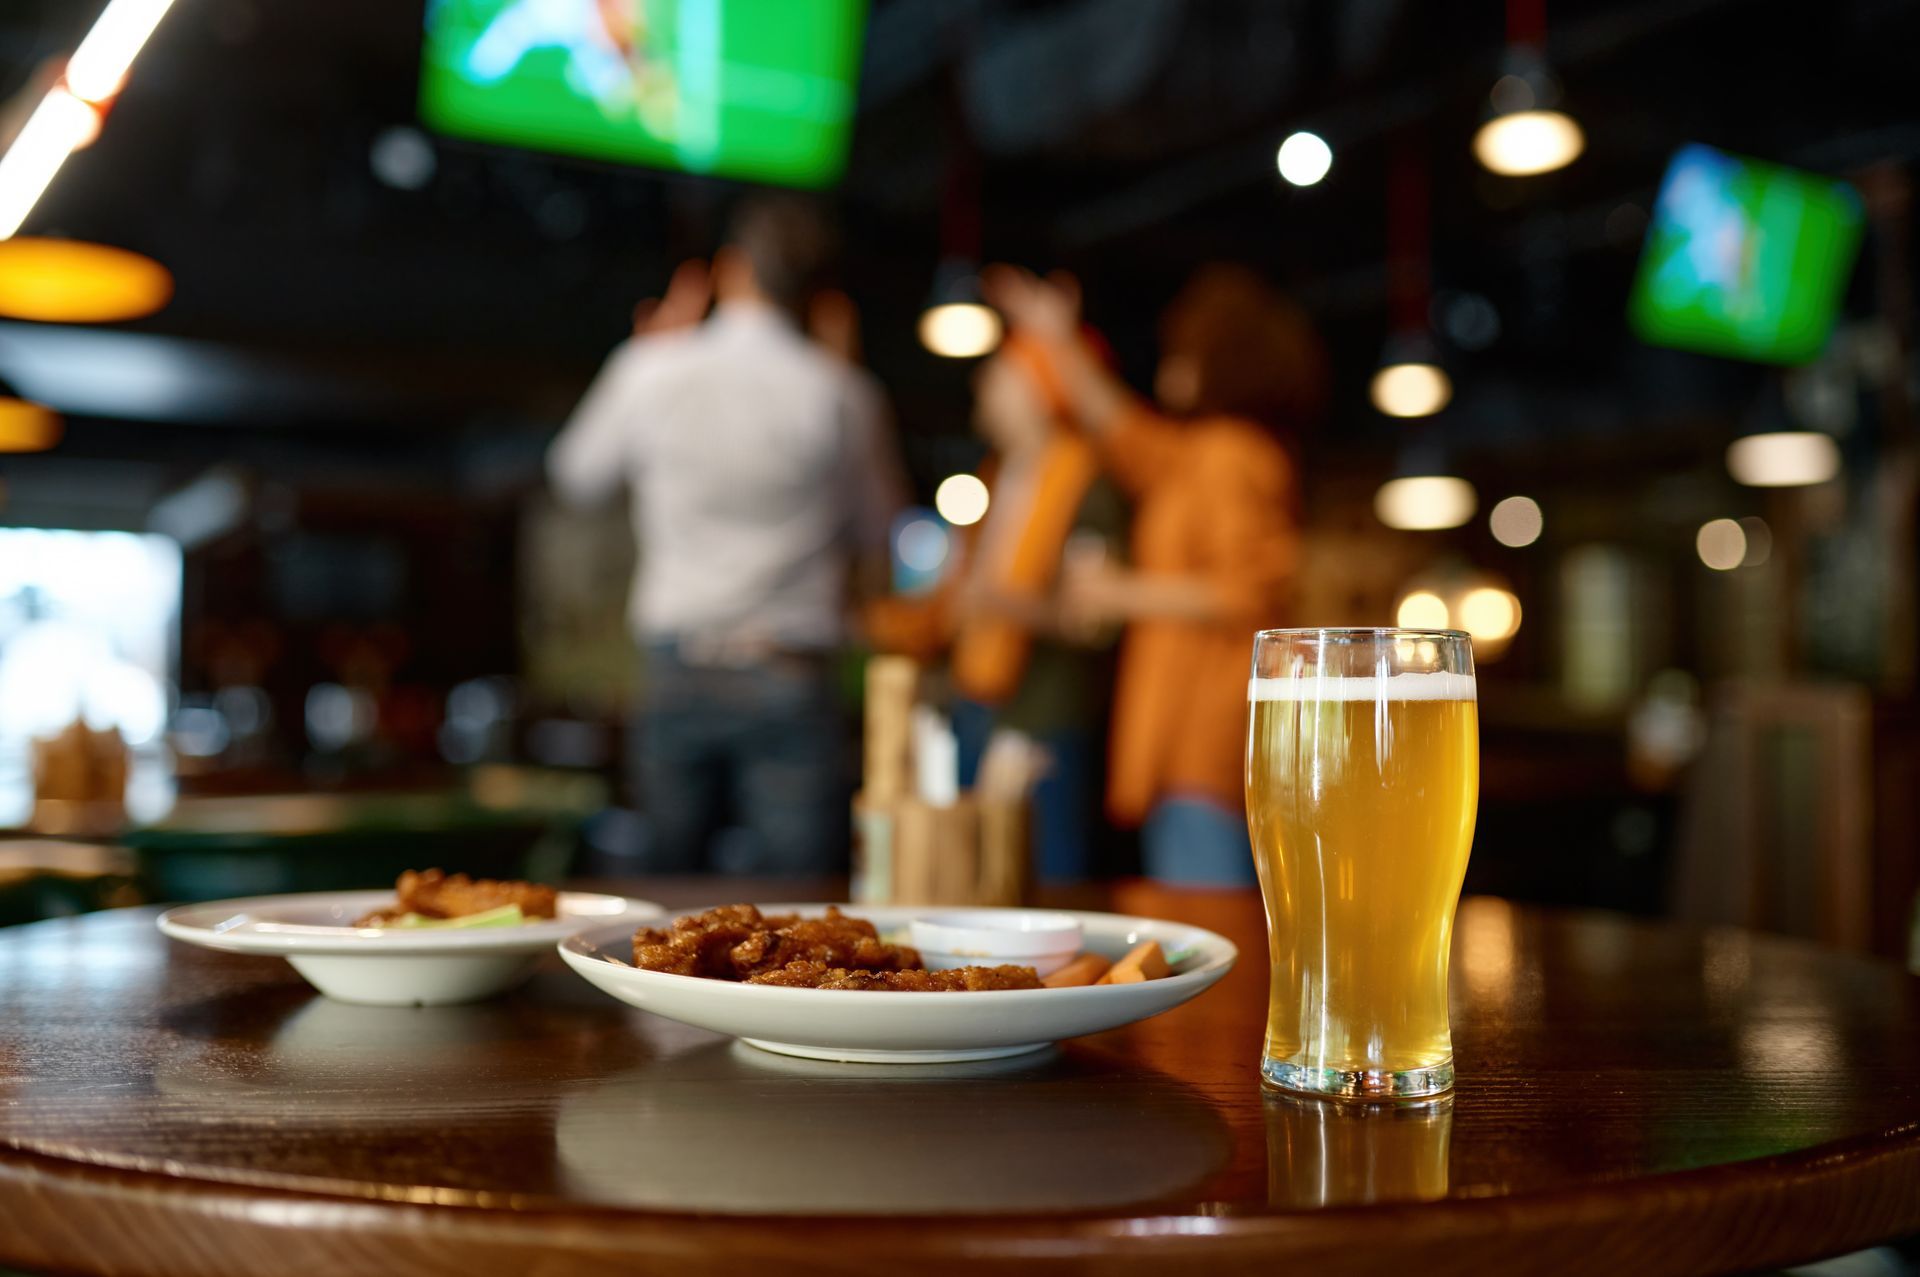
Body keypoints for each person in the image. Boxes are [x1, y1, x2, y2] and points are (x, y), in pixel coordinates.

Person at [547, 197, 902, 875]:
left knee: (664, 900)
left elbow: (574, 475)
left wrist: (646, 350)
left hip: (680, 662)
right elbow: (880, 529)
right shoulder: (843, 393)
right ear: (819, 295)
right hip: (790, 667)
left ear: (732, 271)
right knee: (797, 908)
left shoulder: (652, 369)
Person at [986, 264, 1325, 885]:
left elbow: (1254, 592)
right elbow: (1122, 429)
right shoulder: (1201, 453)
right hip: (1182, 742)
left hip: (1207, 739)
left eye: (1182, 350)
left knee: (1209, 919)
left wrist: (1123, 593)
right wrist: (1056, 339)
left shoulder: (1234, 455)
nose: (1170, 364)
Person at [872, 334, 1127, 880]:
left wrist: (997, 602)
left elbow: (1095, 619)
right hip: (976, 699)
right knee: (975, 869)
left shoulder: (1086, 483)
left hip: (1044, 713)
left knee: (1051, 873)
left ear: (1039, 388)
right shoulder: (998, 474)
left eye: (1001, 374)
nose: (983, 385)